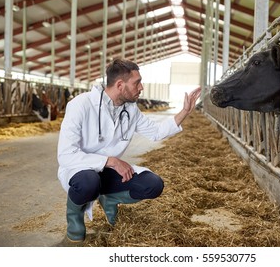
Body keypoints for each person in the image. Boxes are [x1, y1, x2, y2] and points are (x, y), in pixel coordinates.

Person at [57, 58, 201, 242]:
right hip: (80, 170)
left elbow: (156, 132)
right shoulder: (80, 105)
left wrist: (184, 112)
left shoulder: (130, 109)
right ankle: (75, 218)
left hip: (108, 172)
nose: (141, 88)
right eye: (137, 82)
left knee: (153, 184)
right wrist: (112, 161)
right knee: (88, 181)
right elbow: (66, 155)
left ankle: (109, 199)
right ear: (119, 85)